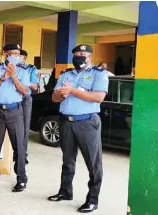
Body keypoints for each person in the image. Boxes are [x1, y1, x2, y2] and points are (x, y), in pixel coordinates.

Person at [48, 44, 108, 213]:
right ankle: (65, 192)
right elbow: (54, 97)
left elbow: (98, 97)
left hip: (87, 123)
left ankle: (92, 200)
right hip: (67, 122)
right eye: (76, 53)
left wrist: (72, 90)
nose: (79, 56)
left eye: (83, 53)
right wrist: (62, 94)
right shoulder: (66, 74)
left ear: (89, 57)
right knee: (67, 160)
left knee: (93, 163)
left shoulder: (98, 73)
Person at [0, 44, 30, 192]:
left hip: (15, 112)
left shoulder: (23, 71)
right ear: (5, 55)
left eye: (18, 54)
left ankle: (21, 179)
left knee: (19, 146)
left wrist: (14, 76)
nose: (16, 56)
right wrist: (3, 77)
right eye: (13, 53)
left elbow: (24, 91)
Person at [17, 50, 38, 166]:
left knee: (24, 127)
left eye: (17, 55)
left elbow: (35, 86)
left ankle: (23, 154)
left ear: (24, 57)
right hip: (12, 99)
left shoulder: (31, 69)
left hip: (25, 99)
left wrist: (23, 81)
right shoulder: (11, 67)